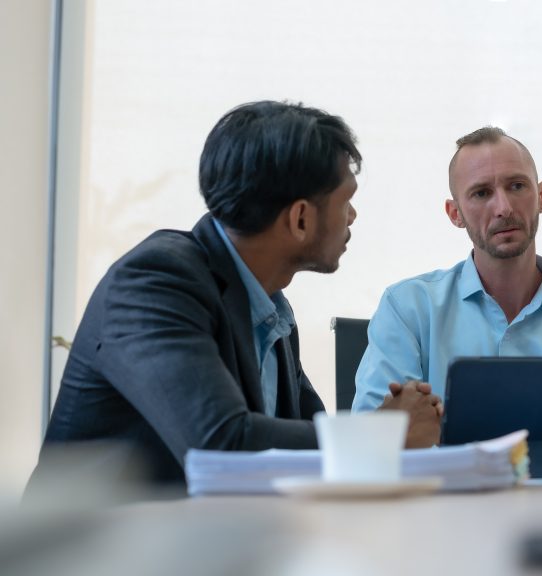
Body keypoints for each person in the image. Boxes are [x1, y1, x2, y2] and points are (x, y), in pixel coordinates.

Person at [31, 101, 441, 491]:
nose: (352, 217)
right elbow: (220, 444)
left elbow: (308, 443)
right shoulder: (154, 282)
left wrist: (391, 431)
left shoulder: (271, 307)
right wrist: (386, 434)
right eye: (346, 201)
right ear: (300, 218)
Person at [353, 127, 542, 411]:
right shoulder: (409, 309)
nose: (503, 207)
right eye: (481, 193)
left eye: (517, 186)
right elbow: (376, 437)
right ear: (455, 213)